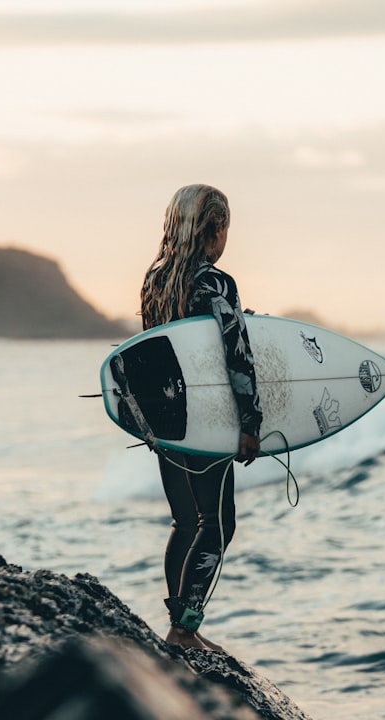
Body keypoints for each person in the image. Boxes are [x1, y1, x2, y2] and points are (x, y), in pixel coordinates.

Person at [140, 184, 262, 651]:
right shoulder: (216, 283)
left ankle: (177, 625)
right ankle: (184, 630)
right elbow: (235, 357)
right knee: (217, 524)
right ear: (215, 228)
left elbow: (161, 353)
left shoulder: (156, 281)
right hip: (205, 422)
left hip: (166, 420)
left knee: (184, 523)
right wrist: (250, 424)